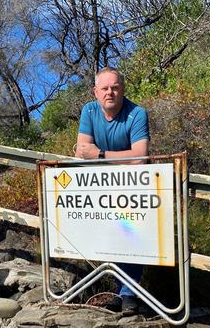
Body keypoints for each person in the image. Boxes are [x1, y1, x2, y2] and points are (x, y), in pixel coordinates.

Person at [75, 67, 149, 312]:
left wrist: (101, 155)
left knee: (130, 236)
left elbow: (140, 157)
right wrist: (110, 157)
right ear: (96, 92)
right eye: (105, 88)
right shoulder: (89, 111)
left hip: (132, 189)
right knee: (109, 239)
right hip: (99, 189)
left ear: (122, 89)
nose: (110, 92)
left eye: (115, 87)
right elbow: (81, 152)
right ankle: (119, 291)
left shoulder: (137, 113)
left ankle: (129, 294)